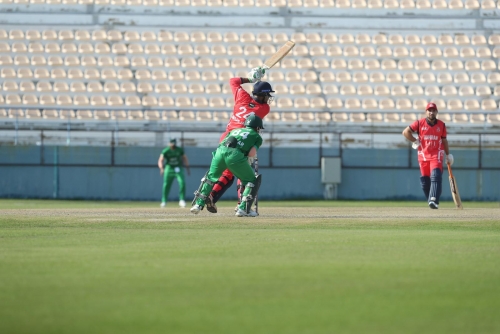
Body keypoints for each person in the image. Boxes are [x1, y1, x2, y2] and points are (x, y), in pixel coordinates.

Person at [205, 66, 272, 214]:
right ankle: (243, 205)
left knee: (227, 174)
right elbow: (261, 105)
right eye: (268, 95)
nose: (269, 99)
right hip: (244, 138)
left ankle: (211, 195)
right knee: (245, 172)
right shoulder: (264, 108)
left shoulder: (241, 97)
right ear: (263, 96)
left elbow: (233, 81)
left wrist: (250, 79)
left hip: (227, 137)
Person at [190, 115, 264, 217]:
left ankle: (198, 204)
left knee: (210, 178)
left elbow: (225, 142)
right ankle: (242, 209)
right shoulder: (257, 137)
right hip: (235, 155)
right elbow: (251, 154)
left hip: (219, 152)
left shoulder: (235, 130)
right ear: (257, 127)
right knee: (251, 180)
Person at [402, 102, 454, 209]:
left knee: (436, 176)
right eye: (429, 110)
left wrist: (448, 155)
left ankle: (433, 199)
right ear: (426, 112)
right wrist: (415, 140)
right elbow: (405, 132)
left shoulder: (441, 125)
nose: (431, 112)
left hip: (436, 154)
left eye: (433, 110)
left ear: (436, 112)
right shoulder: (419, 123)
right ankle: (432, 201)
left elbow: (444, 141)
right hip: (423, 156)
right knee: (425, 182)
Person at [158, 138, 190, 208]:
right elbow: (160, 160)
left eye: (174, 143)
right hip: (169, 168)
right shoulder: (166, 150)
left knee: (182, 183)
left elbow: (184, 157)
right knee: (166, 185)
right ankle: (164, 201)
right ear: (169, 143)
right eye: (171, 143)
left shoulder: (179, 150)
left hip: (178, 168)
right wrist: (161, 168)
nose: (173, 145)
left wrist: (187, 167)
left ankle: (182, 200)